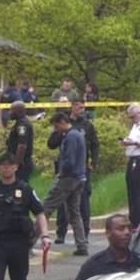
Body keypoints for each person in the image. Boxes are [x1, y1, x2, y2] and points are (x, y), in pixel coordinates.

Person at [43, 112, 89, 256]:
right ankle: (82, 244)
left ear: (63, 122)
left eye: (57, 126)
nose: (56, 130)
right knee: (74, 212)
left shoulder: (70, 137)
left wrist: (62, 173)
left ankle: (29, 241)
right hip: (80, 177)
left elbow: (69, 160)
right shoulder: (78, 135)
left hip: (68, 178)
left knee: (46, 207)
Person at [55, 98, 98, 244]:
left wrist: (94, 162)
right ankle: (61, 233)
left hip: (81, 168)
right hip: (66, 171)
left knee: (82, 203)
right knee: (62, 203)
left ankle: (83, 235)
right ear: (72, 107)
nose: (82, 110)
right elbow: (51, 144)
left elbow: (95, 144)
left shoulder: (87, 126)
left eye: (83, 108)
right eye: (79, 107)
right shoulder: (64, 124)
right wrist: (59, 134)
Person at [73, 213, 140, 280]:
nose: (127, 232)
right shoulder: (94, 265)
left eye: (129, 228)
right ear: (108, 233)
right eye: (121, 229)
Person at [4, 101, 35, 182]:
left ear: (18, 111)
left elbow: (22, 145)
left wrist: (16, 164)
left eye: (12, 110)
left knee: (20, 189)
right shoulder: (19, 123)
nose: (10, 113)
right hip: (19, 161)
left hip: (22, 163)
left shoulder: (22, 125)